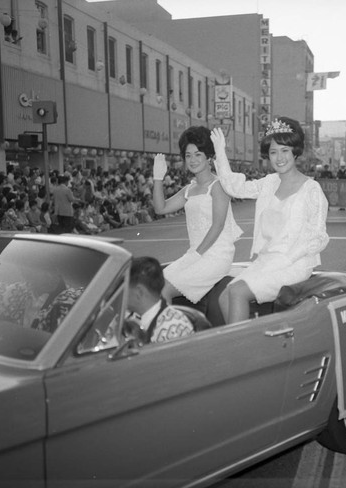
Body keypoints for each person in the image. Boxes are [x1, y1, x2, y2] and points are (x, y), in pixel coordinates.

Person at [210, 117, 329, 324]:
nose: (279, 158)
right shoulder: (269, 183)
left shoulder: (312, 189)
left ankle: (241, 350)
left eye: (285, 150)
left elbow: (318, 237)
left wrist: (286, 259)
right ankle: (246, 345)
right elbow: (234, 188)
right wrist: (220, 151)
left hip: (295, 263)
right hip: (266, 260)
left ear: (295, 151)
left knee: (237, 292)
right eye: (273, 152)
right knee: (224, 296)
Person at [152, 125, 243, 305]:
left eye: (198, 154)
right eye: (188, 155)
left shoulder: (218, 186)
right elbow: (160, 208)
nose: (192, 160)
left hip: (215, 256)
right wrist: (157, 179)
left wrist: (195, 256)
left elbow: (217, 226)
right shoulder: (189, 189)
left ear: (209, 157)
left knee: (163, 291)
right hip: (195, 254)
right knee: (155, 287)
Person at [124, 256, 195, 345]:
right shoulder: (130, 317)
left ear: (139, 292)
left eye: (123, 289)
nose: (119, 295)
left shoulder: (173, 330)